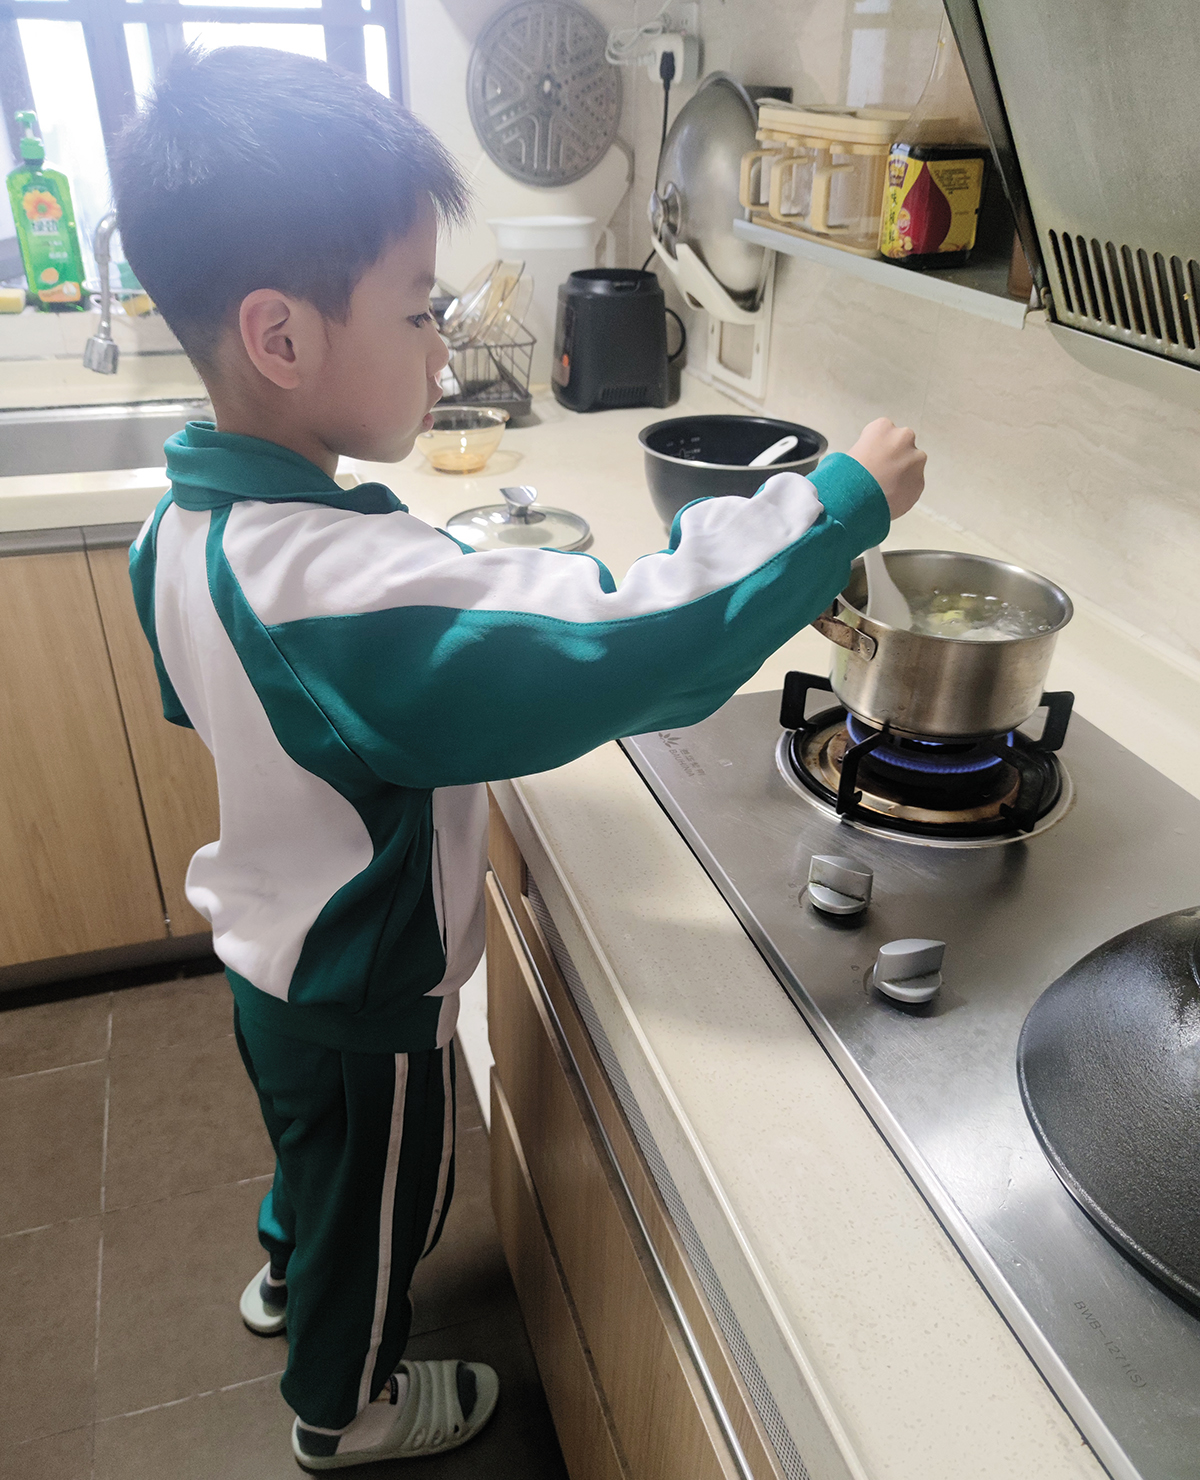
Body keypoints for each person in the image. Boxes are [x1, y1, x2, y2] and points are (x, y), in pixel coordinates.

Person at [113, 44, 926, 1474]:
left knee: (316, 1163)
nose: (443, 351)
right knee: (390, 1192)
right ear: (280, 336)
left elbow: (215, 697)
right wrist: (833, 506)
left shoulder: (181, 529)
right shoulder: (332, 585)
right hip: (365, 992)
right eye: (418, 312)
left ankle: (292, 1275)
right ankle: (346, 1407)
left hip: (269, 945)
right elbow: (625, 638)